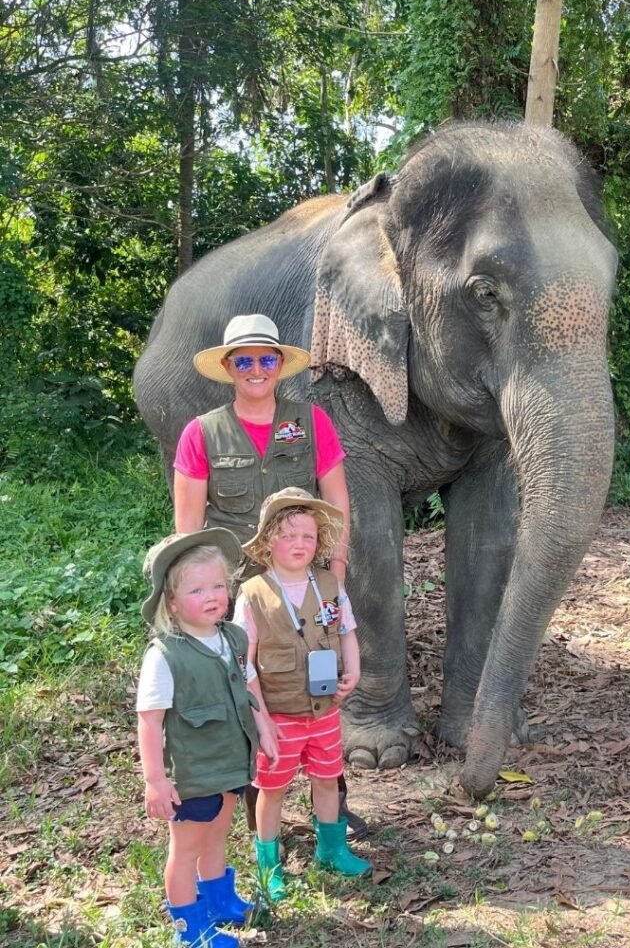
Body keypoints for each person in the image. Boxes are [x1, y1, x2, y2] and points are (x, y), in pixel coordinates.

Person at [172, 313, 367, 840]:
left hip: (306, 582)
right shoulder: (202, 433)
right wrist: (192, 598)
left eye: (265, 358)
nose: (255, 369)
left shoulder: (311, 422)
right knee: (247, 689)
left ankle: (334, 809)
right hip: (238, 588)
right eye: (244, 360)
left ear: (279, 365)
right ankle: (261, 818)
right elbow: (187, 529)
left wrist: (338, 569)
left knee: (317, 683)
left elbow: (337, 500)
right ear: (229, 367)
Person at [136, 528, 278, 947]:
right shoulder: (165, 655)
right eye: (197, 589)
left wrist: (265, 728)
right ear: (172, 602)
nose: (213, 595)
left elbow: (250, 683)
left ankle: (218, 900)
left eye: (218, 585)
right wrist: (155, 781)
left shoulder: (232, 637)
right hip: (193, 771)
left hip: (231, 758)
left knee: (218, 831)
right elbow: (149, 720)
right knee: (187, 847)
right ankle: (189, 929)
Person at [235, 488, 372, 900]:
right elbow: (245, 663)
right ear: (267, 542)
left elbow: (346, 630)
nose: (299, 545)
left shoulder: (328, 583)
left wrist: (355, 668)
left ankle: (332, 849)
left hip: (325, 711)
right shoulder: (254, 594)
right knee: (272, 789)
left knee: (327, 778)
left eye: (308, 537)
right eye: (289, 536)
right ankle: (269, 865)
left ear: (320, 542)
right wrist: (261, 721)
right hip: (278, 715)